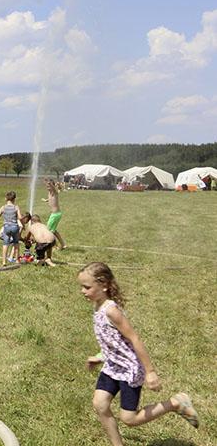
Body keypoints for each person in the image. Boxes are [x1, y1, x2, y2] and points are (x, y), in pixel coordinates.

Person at [78, 262, 199, 445]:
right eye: (82, 287)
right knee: (100, 404)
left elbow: (134, 339)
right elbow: (114, 341)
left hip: (129, 369)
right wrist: (100, 356)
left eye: (87, 287)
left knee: (129, 419)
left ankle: (175, 403)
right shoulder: (97, 305)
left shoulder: (111, 311)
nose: (82, 291)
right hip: (113, 366)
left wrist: (150, 372)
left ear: (104, 285)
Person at [0, 191, 23, 266]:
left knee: (5, 244)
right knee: (16, 243)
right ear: (14, 199)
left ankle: (4, 262)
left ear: (6, 199)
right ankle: (17, 260)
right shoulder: (16, 207)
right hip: (15, 227)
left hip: (6, 228)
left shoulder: (3, 207)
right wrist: (22, 224)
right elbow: (20, 217)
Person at [43, 179, 67, 249]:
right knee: (53, 230)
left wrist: (50, 183)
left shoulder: (54, 192)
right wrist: (46, 200)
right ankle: (63, 244)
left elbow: (54, 189)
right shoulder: (49, 193)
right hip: (55, 214)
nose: (48, 187)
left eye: (49, 186)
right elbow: (51, 199)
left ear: (52, 186)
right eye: (47, 186)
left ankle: (55, 246)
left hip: (55, 215)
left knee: (48, 230)